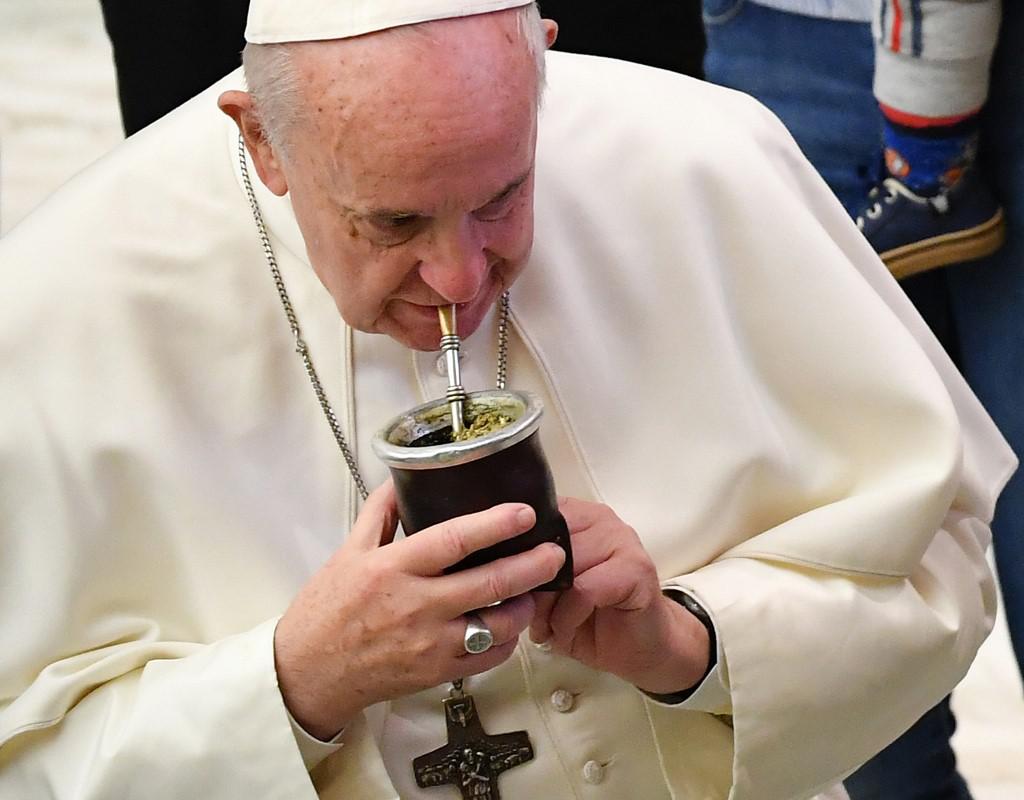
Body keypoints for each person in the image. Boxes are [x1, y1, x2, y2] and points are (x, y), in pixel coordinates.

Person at [0, 2, 1015, 798]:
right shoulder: (63, 298)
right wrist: (297, 681)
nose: (458, 279)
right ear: (263, 141)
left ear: (543, 73)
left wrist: (689, 643)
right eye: (392, 223)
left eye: (502, 196)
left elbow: (939, 560)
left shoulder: (706, 162)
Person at [702, 1, 1023, 798]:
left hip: (818, 52)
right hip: (782, 48)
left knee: (840, 512)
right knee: (837, 532)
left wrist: (931, 99)